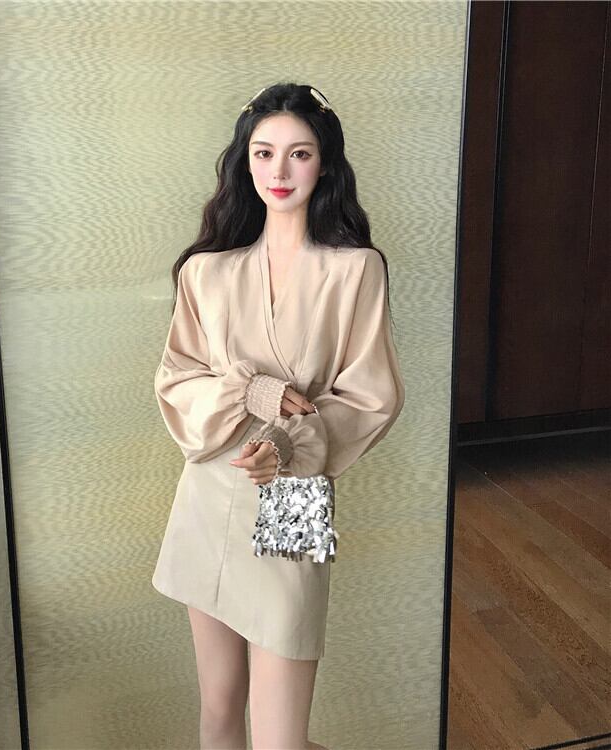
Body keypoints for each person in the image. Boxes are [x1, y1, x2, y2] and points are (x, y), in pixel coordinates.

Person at [151, 82, 405, 750]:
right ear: (246, 162)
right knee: (218, 715)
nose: (280, 170)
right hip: (209, 491)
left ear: (324, 164)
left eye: (300, 153)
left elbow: (371, 397)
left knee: (280, 740)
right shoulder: (205, 273)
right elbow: (176, 383)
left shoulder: (356, 271)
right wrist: (253, 392)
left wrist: (290, 444)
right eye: (264, 153)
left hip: (295, 497)